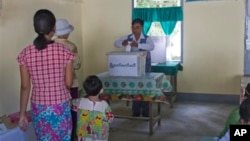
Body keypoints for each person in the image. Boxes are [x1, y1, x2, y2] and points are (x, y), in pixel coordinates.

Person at [17, 9, 75, 141]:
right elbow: (68, 83)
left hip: (39, 107)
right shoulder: (65, 51)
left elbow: (25, 87)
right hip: (60, 105)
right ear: (54, 28)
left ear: (35, 28)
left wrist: (22, 114)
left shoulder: (25, 53)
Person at [114, 18, 155, 117]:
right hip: (133, 65)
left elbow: (151, 47)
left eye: (137, 27)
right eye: (133, 27)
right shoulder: (128, 37)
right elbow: (116, 43)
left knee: (145, 87)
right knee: (135, 87)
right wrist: (122, 43)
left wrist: (138, 44)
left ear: (142, 28)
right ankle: (136, 110)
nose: (135, 29)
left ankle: (145, 111)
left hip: (145, 65)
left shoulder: (147, 38)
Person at [55, 18, 81, 141]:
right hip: (72, 84)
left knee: (60, 111)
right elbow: (76, 65)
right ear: (67, 32)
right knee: (73, 111)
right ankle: (72, 136)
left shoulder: (51, 45)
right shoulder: (71, 46)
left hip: (56, 85)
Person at [72, 75, 114, 141]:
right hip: (100, 136)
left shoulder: (79, 102)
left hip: (83, 134)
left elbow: (73, 108)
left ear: (85, 91)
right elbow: (110, 119)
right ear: (101, 90)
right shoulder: (105, 105)